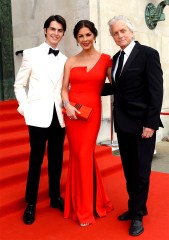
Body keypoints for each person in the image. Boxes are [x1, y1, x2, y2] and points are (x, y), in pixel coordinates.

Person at [107, 15, 163, 236]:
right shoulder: (116, 58)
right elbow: (117, 89)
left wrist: (151, 122)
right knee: (129, 170)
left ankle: (138, 216)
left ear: (131, 31)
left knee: (141, 171)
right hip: (123, 124)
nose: (120, 35)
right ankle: (135, 207)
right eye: (115, 33)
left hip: (142, 125)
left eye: (123, 31)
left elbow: (156, 91)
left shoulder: (148, 54)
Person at [14, 15, 67, 225]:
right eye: (52, 29)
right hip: (37, 117)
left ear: (63, 33)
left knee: (56, 160)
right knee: (36, 160)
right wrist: (25, 109)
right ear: (45, 30)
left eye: (60, 30)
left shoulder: (65, 59)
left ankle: (55, 197)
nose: (55, 33)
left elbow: (65, 88)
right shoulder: (30, 54)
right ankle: (31, 203)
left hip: (58, 117)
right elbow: (19, 85)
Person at [61, 20, 113, 226]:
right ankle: (85, 204)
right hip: (73, 113)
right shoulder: (71, 61)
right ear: (76, 38)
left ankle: (85, 209)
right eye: (80, 36)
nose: (85, 39)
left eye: (88, 35)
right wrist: (67, 104)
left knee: (84, 154)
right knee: (79, 156)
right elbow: (64, 88)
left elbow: (118, 84)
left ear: (94, 35)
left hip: (92, 114)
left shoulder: (106, 59)